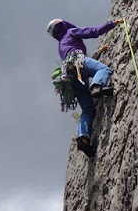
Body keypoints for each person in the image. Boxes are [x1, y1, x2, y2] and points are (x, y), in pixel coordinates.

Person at [47, 18, 123, 157]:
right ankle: (97, 87)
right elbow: (92, 32)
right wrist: (112, 24)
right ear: (62, 24)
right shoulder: (70, 32)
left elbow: (83, 64)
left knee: (87, 109)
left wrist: (98, 53)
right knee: (104, 70)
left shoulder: (61, 46)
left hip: (71, 74)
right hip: (77, 61)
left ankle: (83, 138)